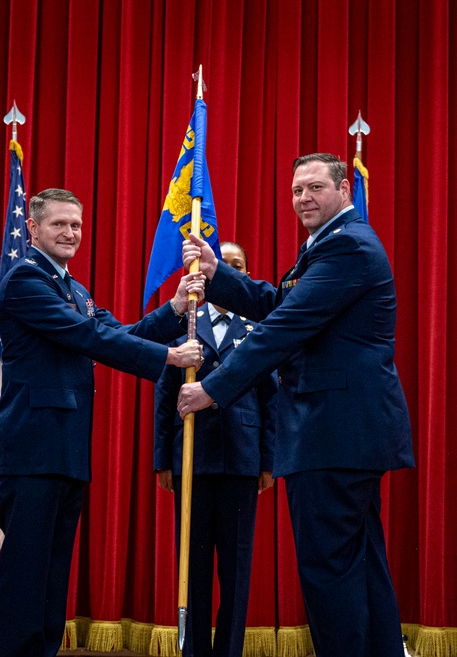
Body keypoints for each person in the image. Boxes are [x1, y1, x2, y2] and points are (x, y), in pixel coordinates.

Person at [177, 154, 414, 657]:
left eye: (314, 188)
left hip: (334, 431)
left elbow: (283, 329)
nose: (303, 199)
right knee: (360, 563)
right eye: (296, 190)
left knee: (330, 568)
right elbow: (282, 303)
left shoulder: (347, 245)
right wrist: (219, 275)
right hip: (340, 433)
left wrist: (213, 389)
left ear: (345, 189)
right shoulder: (329, 245)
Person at [0, 188, 204, 657]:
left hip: (66, 452)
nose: (70, 233)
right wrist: (170, 355)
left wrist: (175, 310)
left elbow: (121, 334)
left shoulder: (75, 289)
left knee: (51, 577)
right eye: (59, 224)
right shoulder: (26, 280)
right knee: (27, 574)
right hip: (31, 450)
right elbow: (89, 337)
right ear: (33, 229)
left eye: (77, 225)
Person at [153, 241, 276, 657]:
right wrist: (161, 460)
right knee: (194, 563)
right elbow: (164, 396)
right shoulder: (185, 322)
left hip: (243, 459)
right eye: (221, 264)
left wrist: (268, 462)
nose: (228, 270)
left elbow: (271, 400)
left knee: (237, 567)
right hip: (192, 457)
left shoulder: (259, 329)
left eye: (236, 265)